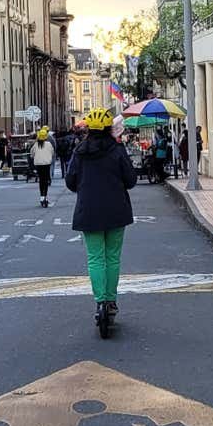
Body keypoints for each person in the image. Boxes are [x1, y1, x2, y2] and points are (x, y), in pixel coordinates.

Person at [65, 108, 137, 325]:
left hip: (89, 211)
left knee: (95, 258)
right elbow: (131, 180)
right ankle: (111, 301)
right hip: (116, 210)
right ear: (108, 128)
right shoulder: (117, 149)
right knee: (112, 257)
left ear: (88, 128)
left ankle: (100, 302)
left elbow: (70, 182)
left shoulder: (80, 151)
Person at [31, 127, 56, 207]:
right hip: (46, 164)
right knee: (45, 180)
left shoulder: (36, 144)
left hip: (38, 164)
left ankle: (42, 197)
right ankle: (45, 196)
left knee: (41, 180)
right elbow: (52, 152)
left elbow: (32, 153)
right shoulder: (48, 144)